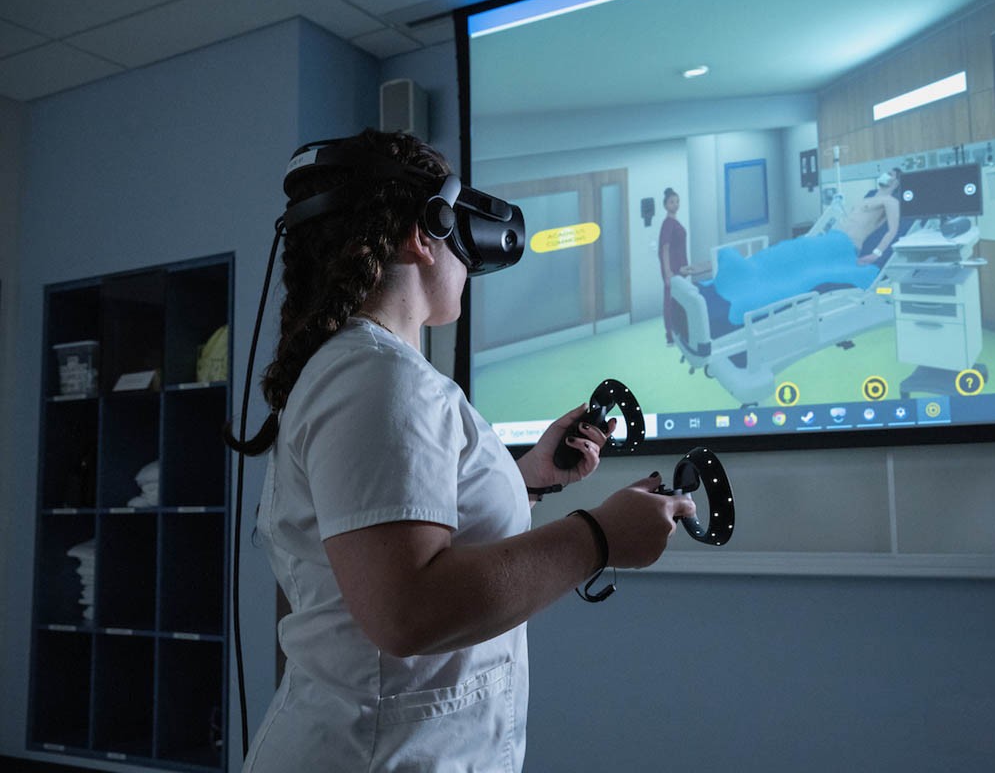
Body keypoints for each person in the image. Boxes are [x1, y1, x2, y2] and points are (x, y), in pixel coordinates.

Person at [233, 129, 695, 772]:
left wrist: (526, 479)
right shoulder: (378, 379)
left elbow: (394, 531)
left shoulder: (360, 372)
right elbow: (407, 609)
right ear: (423, 234)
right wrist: (599, 538)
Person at [835, 167, 902, 266]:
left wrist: (875, 254)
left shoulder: (890, 201)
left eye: (889, 174)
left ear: (896, 182)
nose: (885, 175)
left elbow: (892, 231)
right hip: (836, 240)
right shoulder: (866, 199)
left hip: (850, 245)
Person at [658, 187, 693, 344]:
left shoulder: (675, 222)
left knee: (678, 299)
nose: (675, 204)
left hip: (680, 268)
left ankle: (679, 331)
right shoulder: (668, 224)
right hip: (672, 270)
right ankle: (670, 333)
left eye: (677, 201)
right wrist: (667, 272)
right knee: (670, 299)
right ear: (665, 205)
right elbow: (664, 248)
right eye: (672, 202)